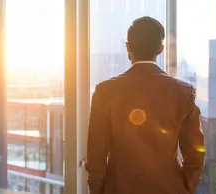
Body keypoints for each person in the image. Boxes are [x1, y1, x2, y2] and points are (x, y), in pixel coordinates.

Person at [86, 16, 205, 194]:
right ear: (161, 49)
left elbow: (96, 157)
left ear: (128, 47)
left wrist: (99, 190)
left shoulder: (105, 92)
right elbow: (195, 154)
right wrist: (184, 188)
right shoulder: (183, 92)